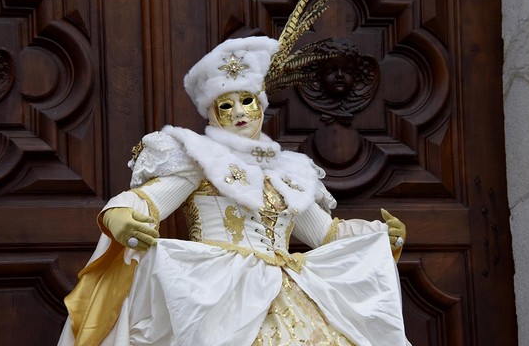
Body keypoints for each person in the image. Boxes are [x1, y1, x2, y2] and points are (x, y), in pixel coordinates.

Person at [58, 35, 410, 346]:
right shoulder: (198, 156)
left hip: (290, 292)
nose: (239, 112)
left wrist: (381, 237)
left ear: (261, 105)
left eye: (247, 101)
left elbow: (325, 234)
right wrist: (119, 214)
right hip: (216, 294)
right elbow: (150, 198)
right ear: (211, 112)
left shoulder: (290, 171)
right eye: (226, 105)